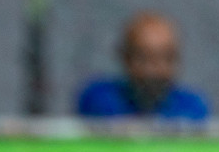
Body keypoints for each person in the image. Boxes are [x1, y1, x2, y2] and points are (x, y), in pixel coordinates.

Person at [76, 12, 209, 121]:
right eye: (145, 59)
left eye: (166, 58)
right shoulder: (100, 99)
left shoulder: (192, 107)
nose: (156, 70)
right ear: (126, 58)